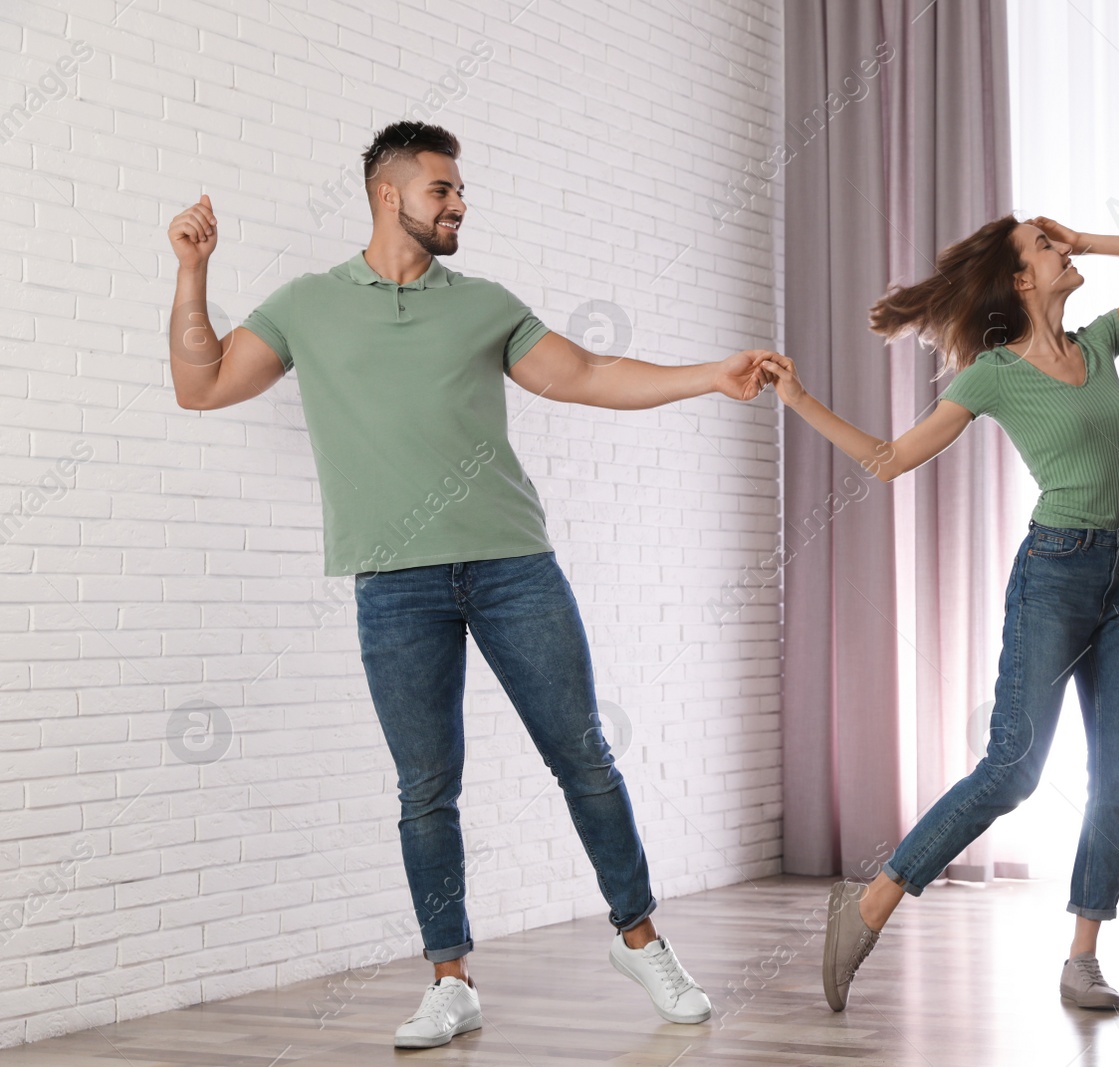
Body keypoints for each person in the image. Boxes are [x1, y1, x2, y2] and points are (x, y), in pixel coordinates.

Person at [164, 121, 774, 1047]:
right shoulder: (307, 306)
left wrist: (709, 375)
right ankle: (450, 978)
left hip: (511, 567)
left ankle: (641, 938)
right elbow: (199, 386)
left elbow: (586, 374)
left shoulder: (482, 303)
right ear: (388, 193)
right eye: (443, 190)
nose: (458, 204)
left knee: (583, 758)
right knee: (425, 790)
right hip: (392, 584)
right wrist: (193, 270)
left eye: (459, 192)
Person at [759, 214, 1119, 1012]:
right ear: (1020, 280)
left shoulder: (1098, 342)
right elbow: (890, 460)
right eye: (1046, 246)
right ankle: (869, 905)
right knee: (1012, 770)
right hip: (1056, 574)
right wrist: (797, 397)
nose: (1061, 250)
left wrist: (1092, 241)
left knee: (1117, 780)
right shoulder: (994, 374)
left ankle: (1082, 956)